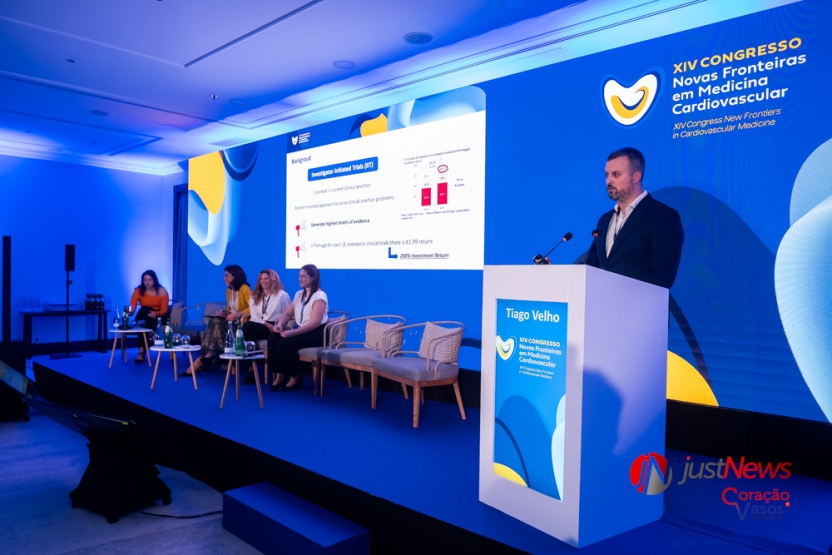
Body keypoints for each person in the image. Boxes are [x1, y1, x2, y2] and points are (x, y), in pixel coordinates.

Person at [585, 147, 684, 289]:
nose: (608, 181)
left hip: (640, 303)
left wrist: (619, 294)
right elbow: (592, 266)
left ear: (636, 177)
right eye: (607, 175)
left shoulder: (664, 217)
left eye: (616, 174)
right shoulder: (604, 220)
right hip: (601, 302)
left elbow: (662, 277)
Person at [267, 264, 328, 391]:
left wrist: (293, 333)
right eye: (299, 276)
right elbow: (288, 314)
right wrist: (280, 324)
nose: (300, 279)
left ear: (312, 278)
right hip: (302, 331)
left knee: (283, 345)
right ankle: (280, 374)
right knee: (273, 338)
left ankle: (295, 376)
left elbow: (315, 323)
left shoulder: (320, 296)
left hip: (316, 334)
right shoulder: (299, 294)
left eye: (303, 276)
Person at [184, 264, 251, 375]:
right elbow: (230, 310)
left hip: (242, 325)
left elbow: (253, 307)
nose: (224, 278)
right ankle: (209, 356)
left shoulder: (244, 288)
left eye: (227, 276)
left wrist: (238, 314)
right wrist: (225, 313)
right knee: (214, 320)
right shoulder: (228, 291)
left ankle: (204, 358)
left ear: (235, 276)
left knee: (214, 323)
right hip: (231, 323)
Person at [241, 269, 291, 383]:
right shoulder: (254, 296)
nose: (263, 281)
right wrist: (268, 326)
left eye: (266, 278)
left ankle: (254, 370)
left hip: (277, 325)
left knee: (249, 328)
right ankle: (252, 368)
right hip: (261, 325)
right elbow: (254, 317)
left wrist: (280, 327)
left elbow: (288, 315)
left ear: (273, 279)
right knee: (247, 327)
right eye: (261, 279)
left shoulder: (282, 296)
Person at [128, 270, 169, 363]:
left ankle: (141, 351)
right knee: (144, 311)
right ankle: (151, 332)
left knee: (143, 323)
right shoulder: (139, 291)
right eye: (145, 280)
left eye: (150, 280)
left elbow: (164, 310)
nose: (147, 282)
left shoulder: (162, 291)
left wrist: (156, 313)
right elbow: (132, 306)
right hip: (145, 315)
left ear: (154, 280)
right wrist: (129, 311)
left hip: (159, 316)